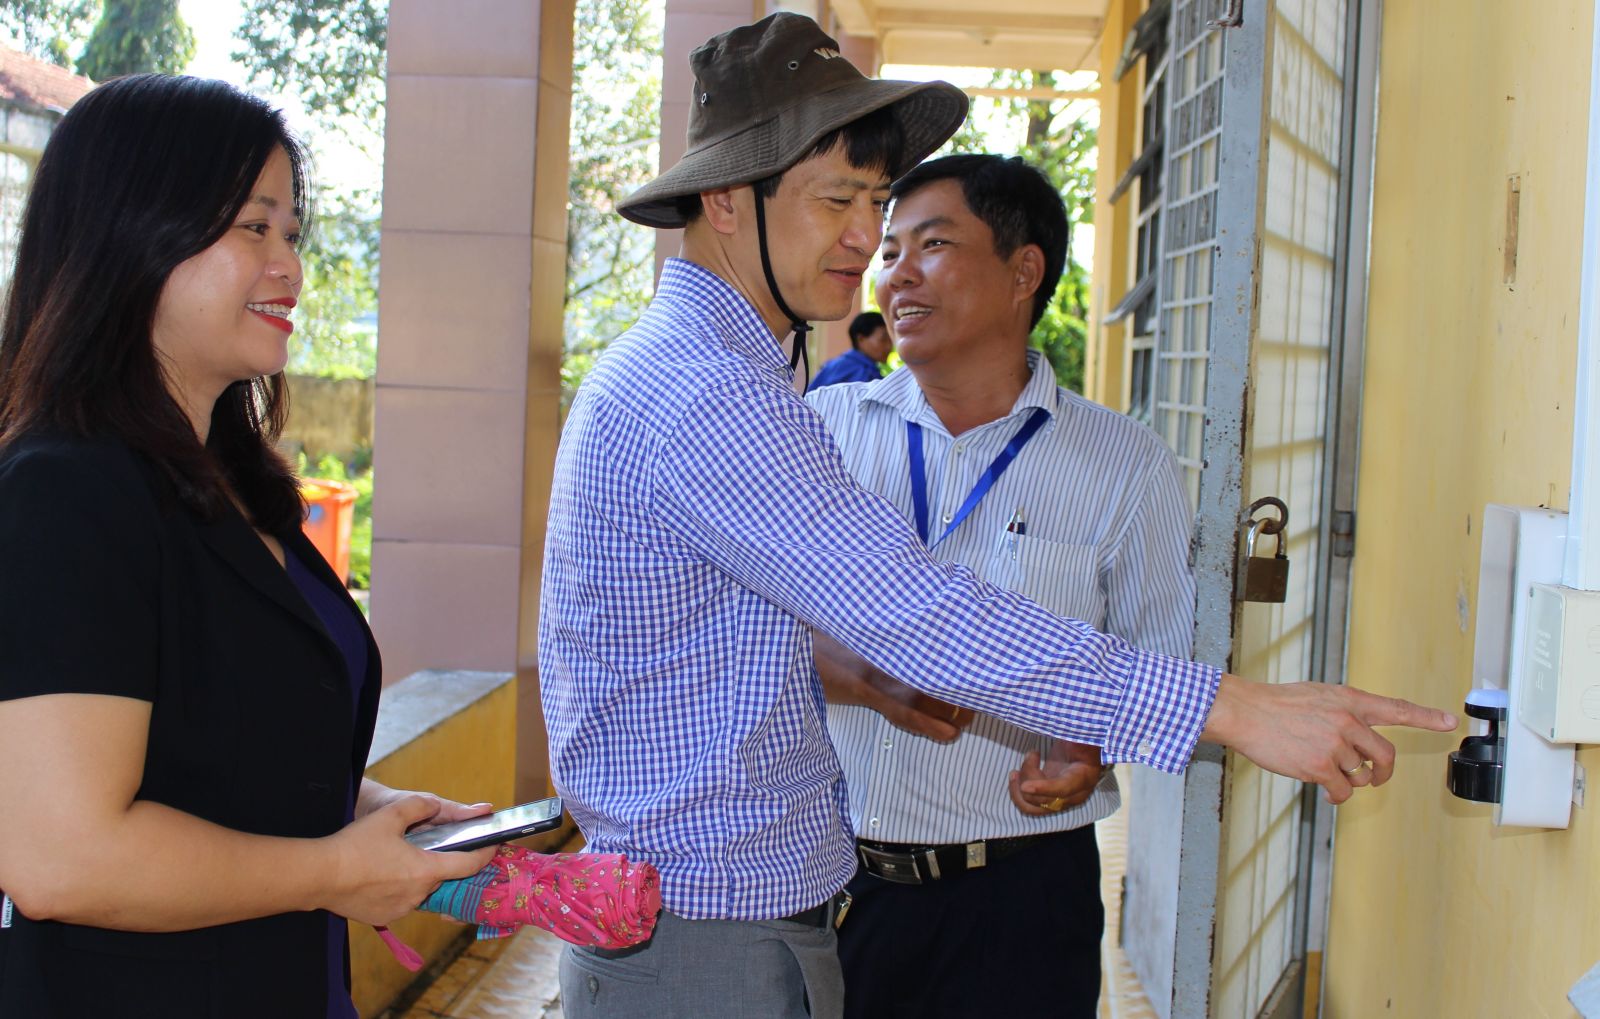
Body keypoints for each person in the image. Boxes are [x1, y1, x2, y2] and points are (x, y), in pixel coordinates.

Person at [538, 14, 1455, 1019]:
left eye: (876, 202)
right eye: (838, 200)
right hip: (705, 941)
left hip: (758, 917)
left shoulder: (722, 375)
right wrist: (1233, 708)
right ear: (725, 200)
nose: (866, 242)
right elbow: (921, 615)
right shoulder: (711, 395)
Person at [0, 75, 495, 1018]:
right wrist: (326, 871)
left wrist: (377, 817)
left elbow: (226, 753)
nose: (292, 269)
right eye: (252, 227)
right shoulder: (66, 490)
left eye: (293, 233)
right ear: (130, 232)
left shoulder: (231, 484)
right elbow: (61, 856)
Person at [806, 153, 1192, 1017]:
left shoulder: (1123, 465)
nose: (896, 270)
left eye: (932, 244)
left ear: (1024, 271)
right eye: (892, 249)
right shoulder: (820, 434)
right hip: (832, 891)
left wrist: (1091, 747)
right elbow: (747, 629)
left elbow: (1157, 660)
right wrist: (857, 675)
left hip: (1022, 897)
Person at [806, 310, 891, 391]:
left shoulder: (834, 365)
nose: (889, 346)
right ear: (861, 339)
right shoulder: (862, 372)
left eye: (891, 339)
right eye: (883, 339)